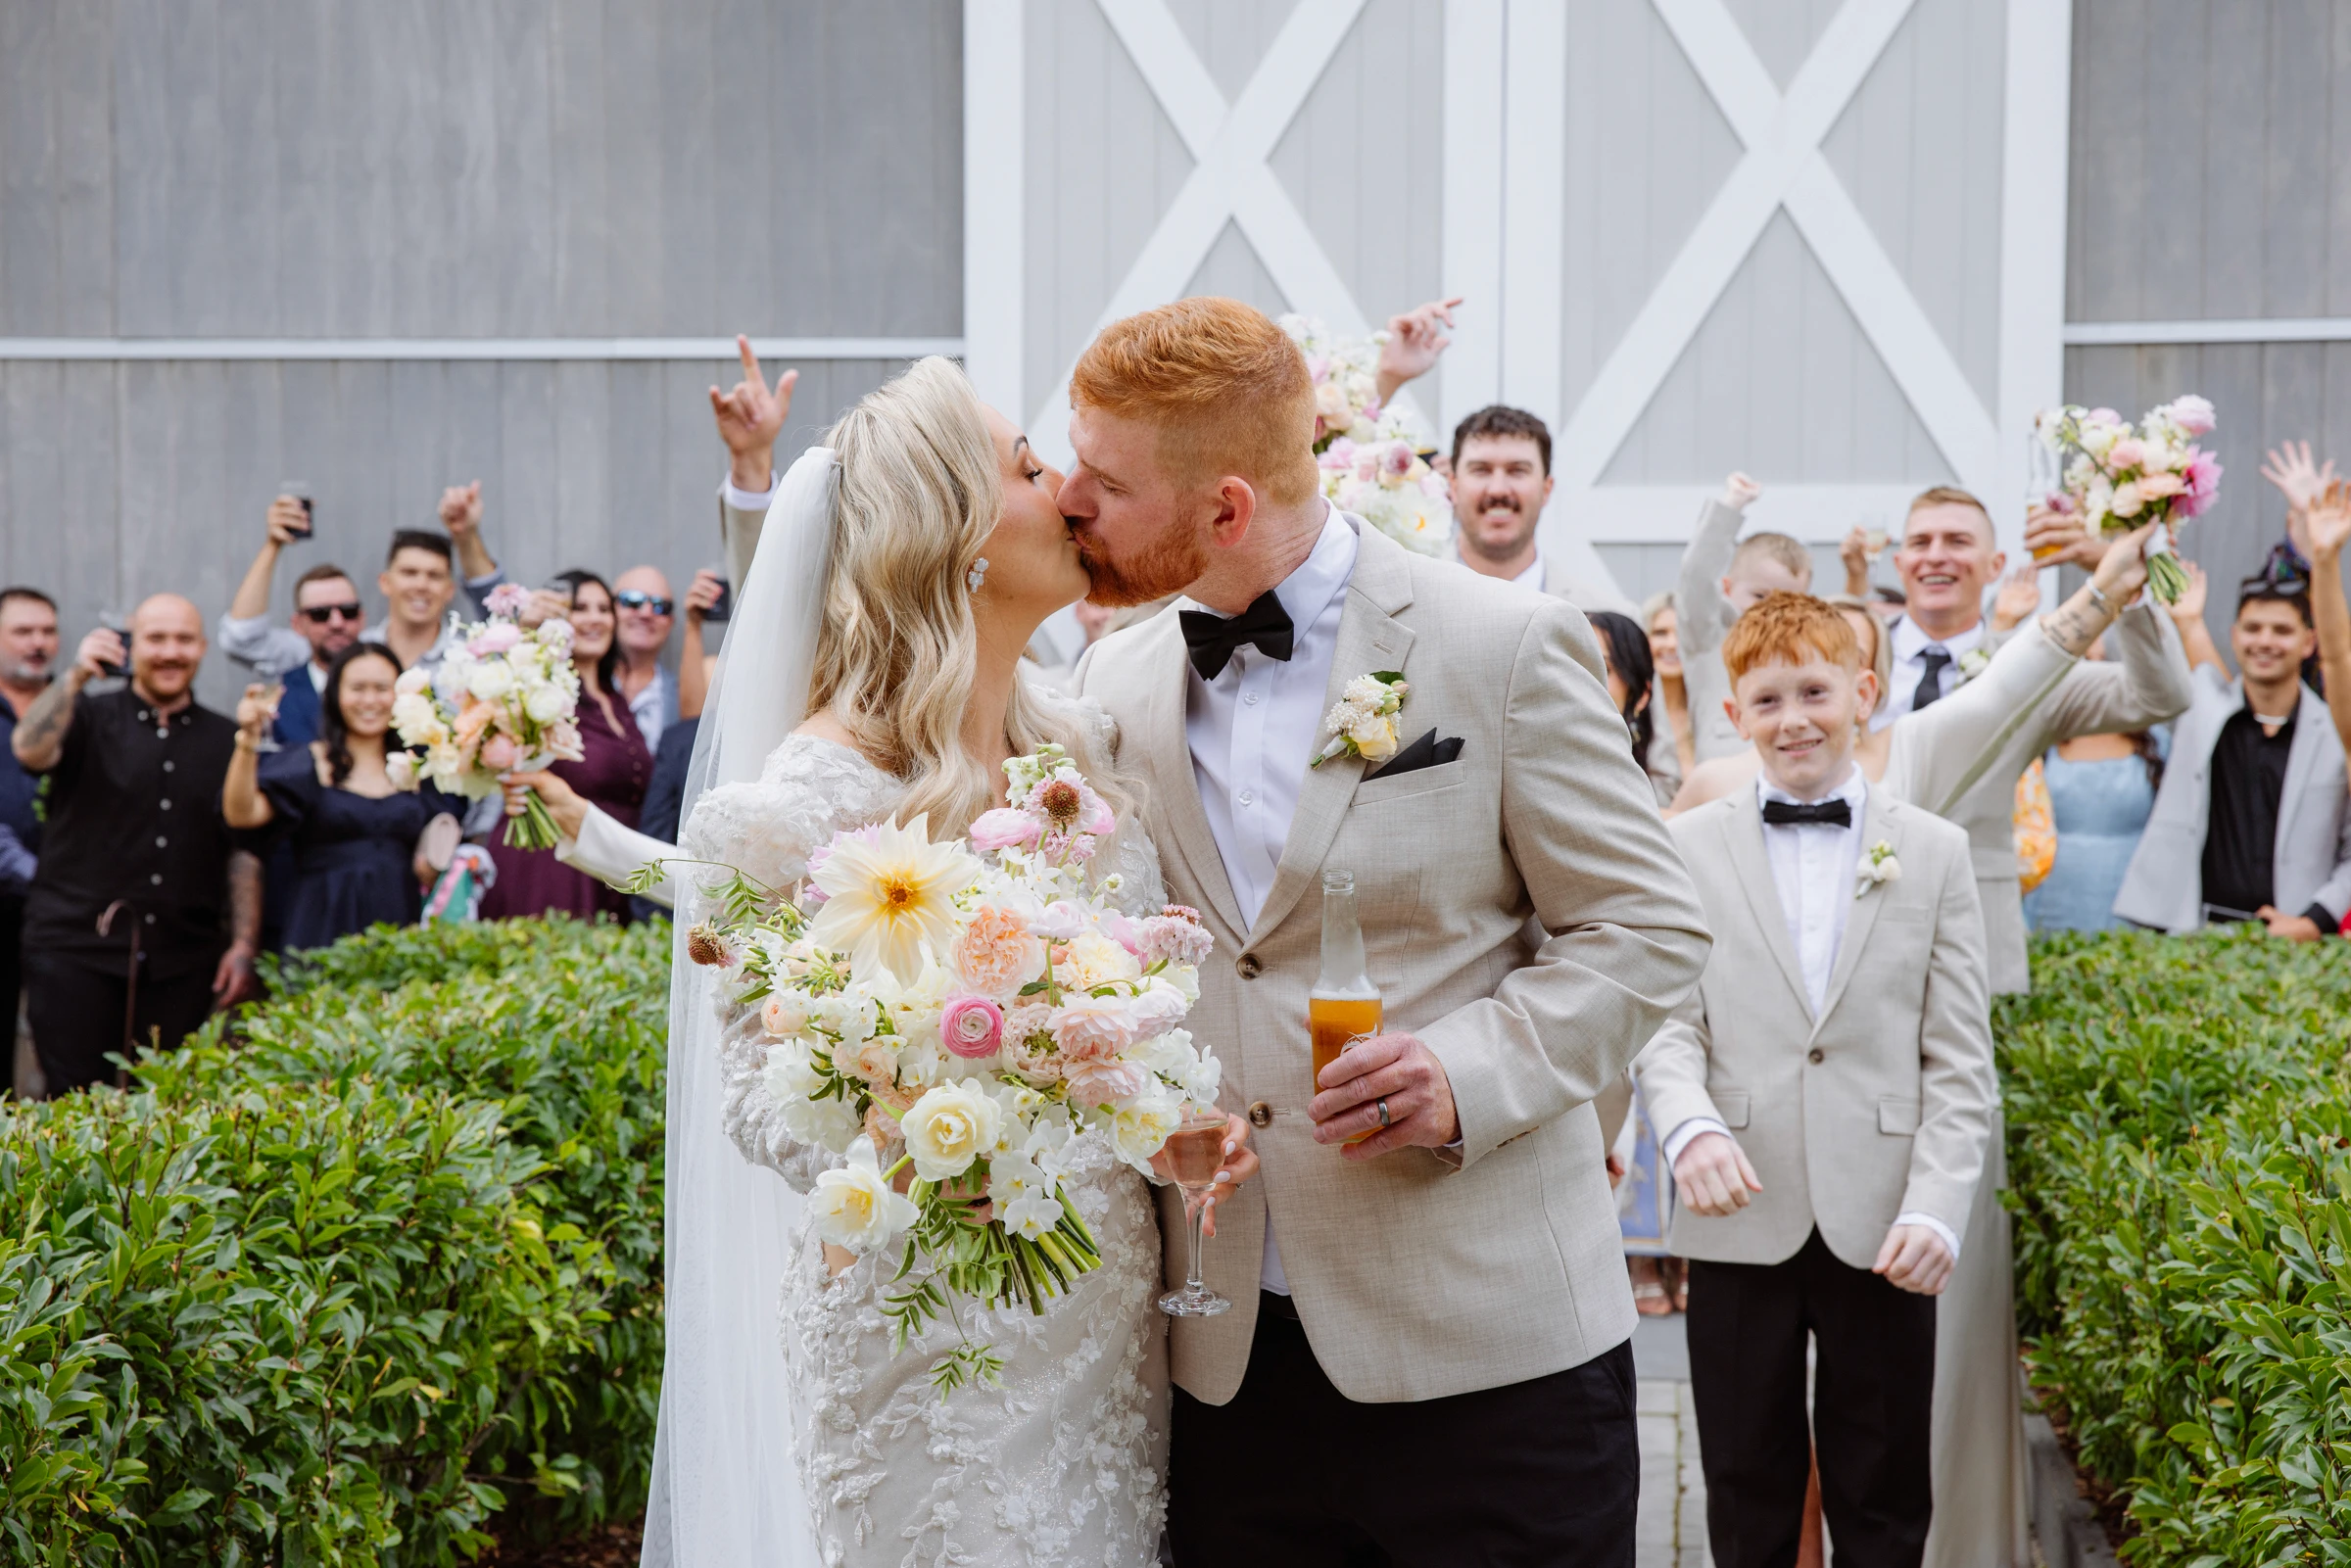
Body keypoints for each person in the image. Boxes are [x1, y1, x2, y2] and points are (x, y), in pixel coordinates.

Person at [1066, 297, 1711, 1564]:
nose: (1074, 503)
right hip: (1225, 1370)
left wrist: (1465, 1072)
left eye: (1106, 482)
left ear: (1228, 507)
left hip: (1496, 1356)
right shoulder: (1113, 682)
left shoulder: (1507, 644)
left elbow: (1649, 926)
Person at [627, 352, 1264, 1568]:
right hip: (930, 1329)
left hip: (1103, 1321)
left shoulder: (1073, 744)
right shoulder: (809, 796)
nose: (1071, 492)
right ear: (957, 534)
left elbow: (1110, 1021)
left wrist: (1165, 1119)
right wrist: (920, 1117)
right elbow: (762, 1104)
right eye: (1030, 466)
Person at [1636, 592, 1994, 1568]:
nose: (1793, 716)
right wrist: (1688, 1125)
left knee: (1882, 1489)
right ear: (1733, 713)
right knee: (1745, 1484)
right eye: (1768, 697)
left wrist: (1937, 1207)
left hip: (1886, 1217)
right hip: (1736, 1195)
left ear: (1863, 693)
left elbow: (1960, 1059)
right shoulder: (1685, 847)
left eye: (1815, 690)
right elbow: (1665, 1021)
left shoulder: (1932, 850)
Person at [11, 595, 262, 1094]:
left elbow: (241, 848)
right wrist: (78, 676)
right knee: (74, 1103)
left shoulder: (226, 739)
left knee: (167, 1112)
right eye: (157, 639)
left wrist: (243, 943)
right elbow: (29, 749)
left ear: (203, 648)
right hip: (74, 951)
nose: (171, 652)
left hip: (182, 960)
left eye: (184, 639)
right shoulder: (86, 716)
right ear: (132, 645)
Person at [2112, 558, 2351, 937]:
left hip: (2292, 943)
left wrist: (2314, 919)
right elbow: (2184, 654)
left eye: (2281, 630)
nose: (2265, 641)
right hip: (2191, 933)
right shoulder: (2204, 710)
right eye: (2253, 628)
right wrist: (2186, 619)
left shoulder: (2336, 734)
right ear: (2235, 635)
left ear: (2309, 642)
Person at [220, 641, 459, 950]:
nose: (370, 700)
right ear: (335, 695)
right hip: (322, 922)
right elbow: (242, 814)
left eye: (382, 688)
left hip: (401, 922)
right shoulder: (310, 762)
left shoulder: (419, 765)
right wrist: (247, 740)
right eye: (358, 688)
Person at [478, 572, 651, 925]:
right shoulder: (539, 687)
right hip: (551, 864)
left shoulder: (614, 698)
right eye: (579, 608)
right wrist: (528, 635)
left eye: (604, 608)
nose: (594, 618)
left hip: (615, 864)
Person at [1672, 471, 1812, 761]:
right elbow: (1696, 576)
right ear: (1727, 588)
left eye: (1788, 601)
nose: (1771, 610)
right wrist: (1731, 505)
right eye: (1759, 597)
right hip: (1720, 787)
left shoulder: (1808, 649)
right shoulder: (1708, 636)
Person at [1448, 404, 1636, 613]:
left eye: (1517, 471)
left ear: (1546, 489)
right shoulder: (1411, 606)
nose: (1498, 490)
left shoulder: (1608, 615)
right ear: (1453, 486)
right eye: (1481, 470)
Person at [217, 497, 370, 743]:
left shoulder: (389, 678)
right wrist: (273, 544)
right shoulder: (283, 679)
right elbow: (240, 635)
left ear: (362, 618)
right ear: (298, 625)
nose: (336, 622)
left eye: (348, 611)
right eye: (320, 614)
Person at [0, 588, 55, 1084]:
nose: (37, 643)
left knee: (65, 1049)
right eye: (23, 631)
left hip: (65, 912)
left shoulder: (79, 712)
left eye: (47, 631)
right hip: (10, 895)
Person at [611, 566, 680, 750]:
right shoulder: (576, 685)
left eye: (661, 606)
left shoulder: (684, 697)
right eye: (632, 601)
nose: (646, 613)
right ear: (609, 611)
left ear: (671, 622)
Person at [1644, 591, 1697, 790]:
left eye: (1681, 634)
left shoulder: (1711, 711)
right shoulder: (1632, 712)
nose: (1672, 644)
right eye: (1660, 633)